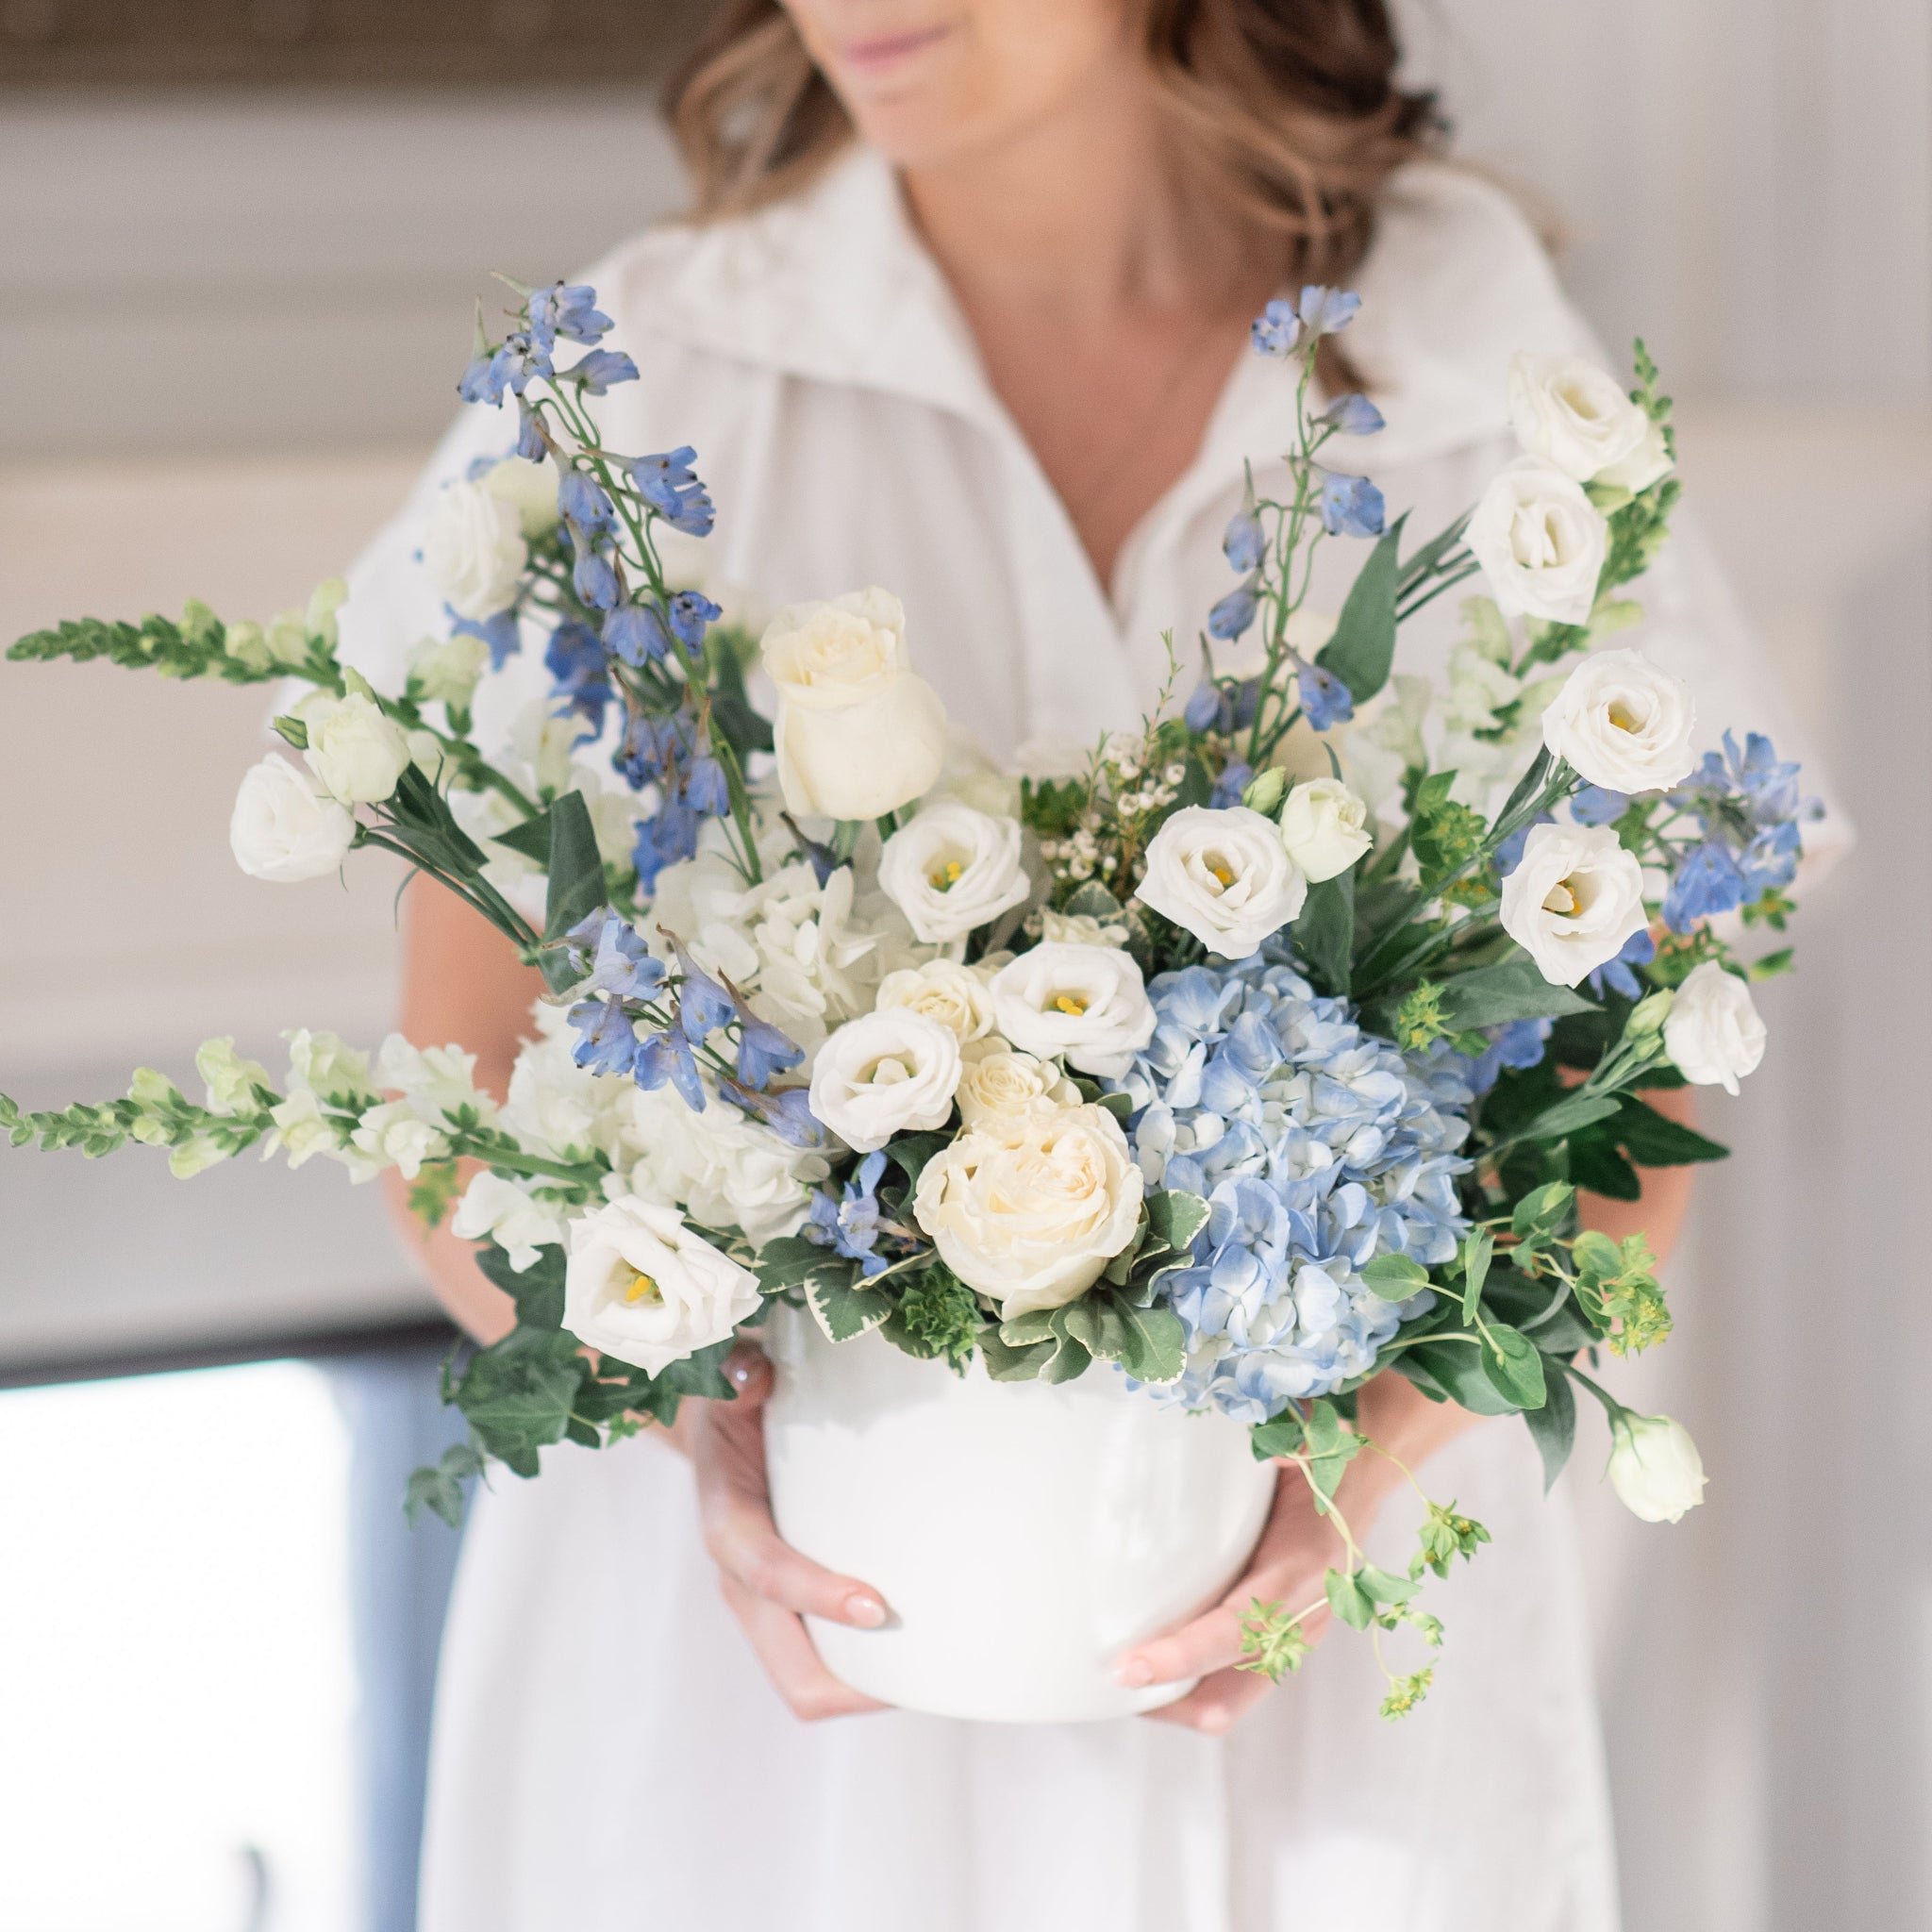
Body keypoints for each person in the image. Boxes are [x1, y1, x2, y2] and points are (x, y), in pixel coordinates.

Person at [338, 3, 1840, 1925]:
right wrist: (681, 1412)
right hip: (769, 1698)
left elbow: (1631, 1103)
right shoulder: (641, 386)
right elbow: (454, 1080)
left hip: (1313, 1706)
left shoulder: (1478, 358)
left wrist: (1361, 1474)